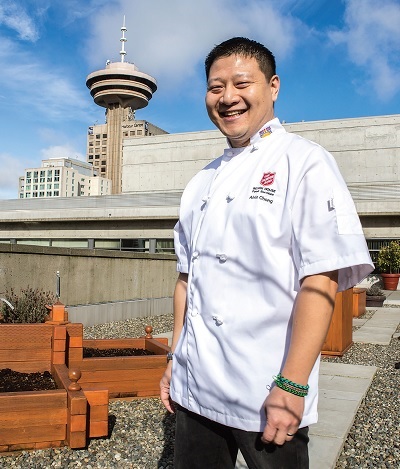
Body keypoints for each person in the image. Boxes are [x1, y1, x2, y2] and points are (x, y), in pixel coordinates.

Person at [160, 37, 374, 469]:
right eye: (215, 87)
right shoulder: (200, 182)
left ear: (273, 87)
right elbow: (187, 279)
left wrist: (293, 385)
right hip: (194, 382)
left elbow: (319, 280)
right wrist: (173, 357)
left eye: (241, 83)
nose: (227, 98)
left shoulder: (306, 162)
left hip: (266, 390)